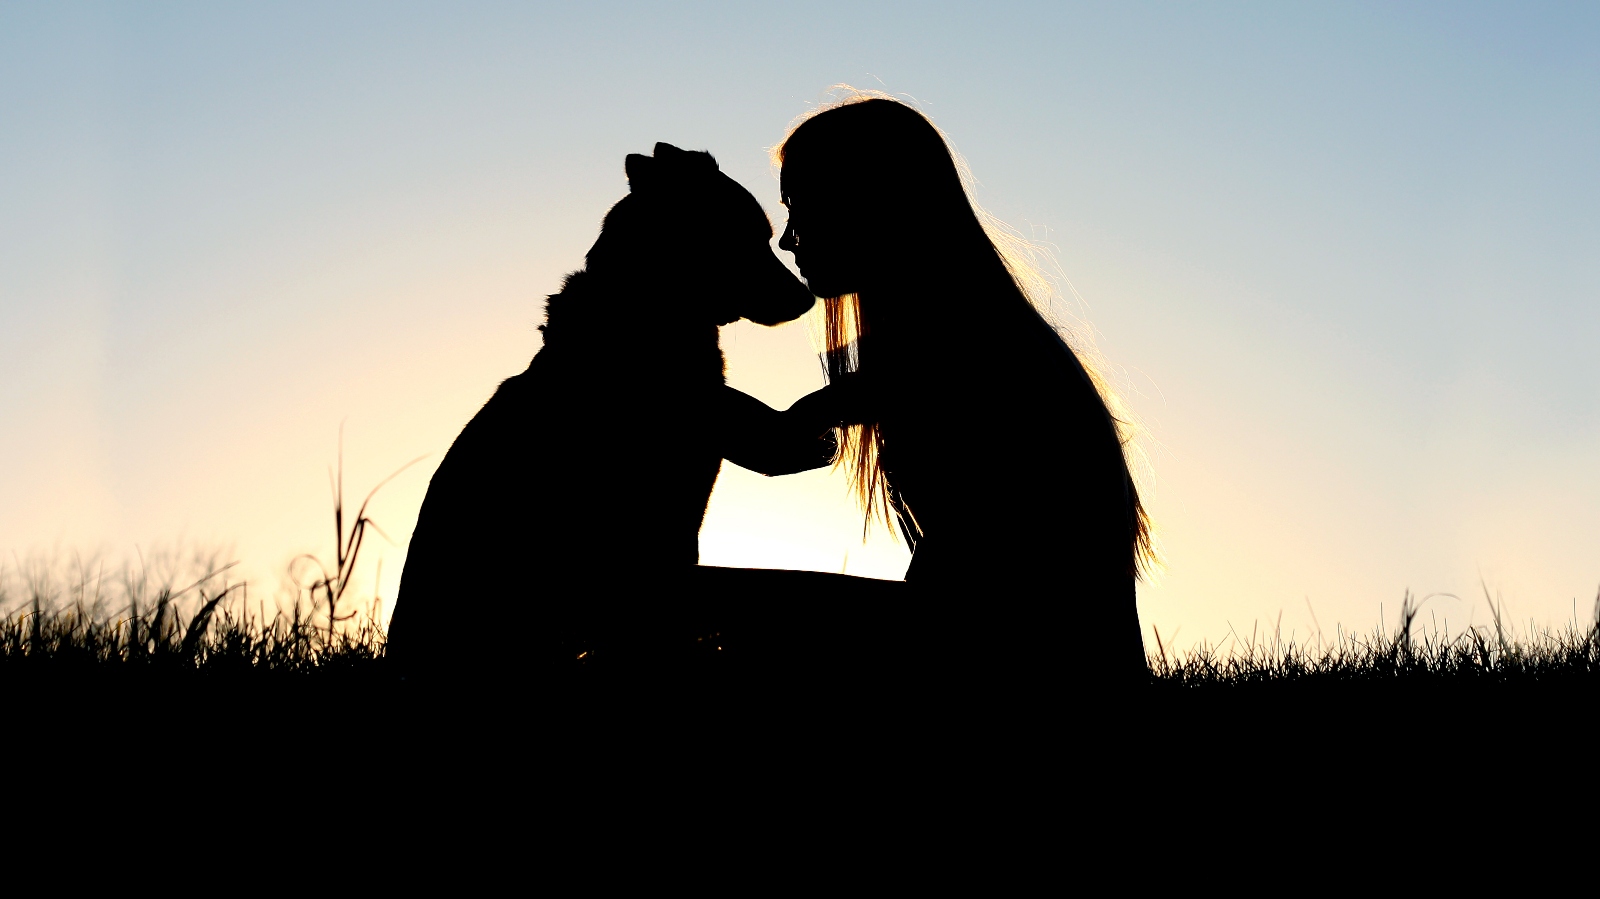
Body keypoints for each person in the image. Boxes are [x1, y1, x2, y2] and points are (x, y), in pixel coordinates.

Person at [768, 95, 1153, 687]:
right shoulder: (979, 335)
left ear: (869, 203)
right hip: (1049, 660)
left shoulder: (957, 348)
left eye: (802, 207)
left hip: (1032, 669)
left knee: (683, 603)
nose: (789, 239)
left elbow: (978, 598)